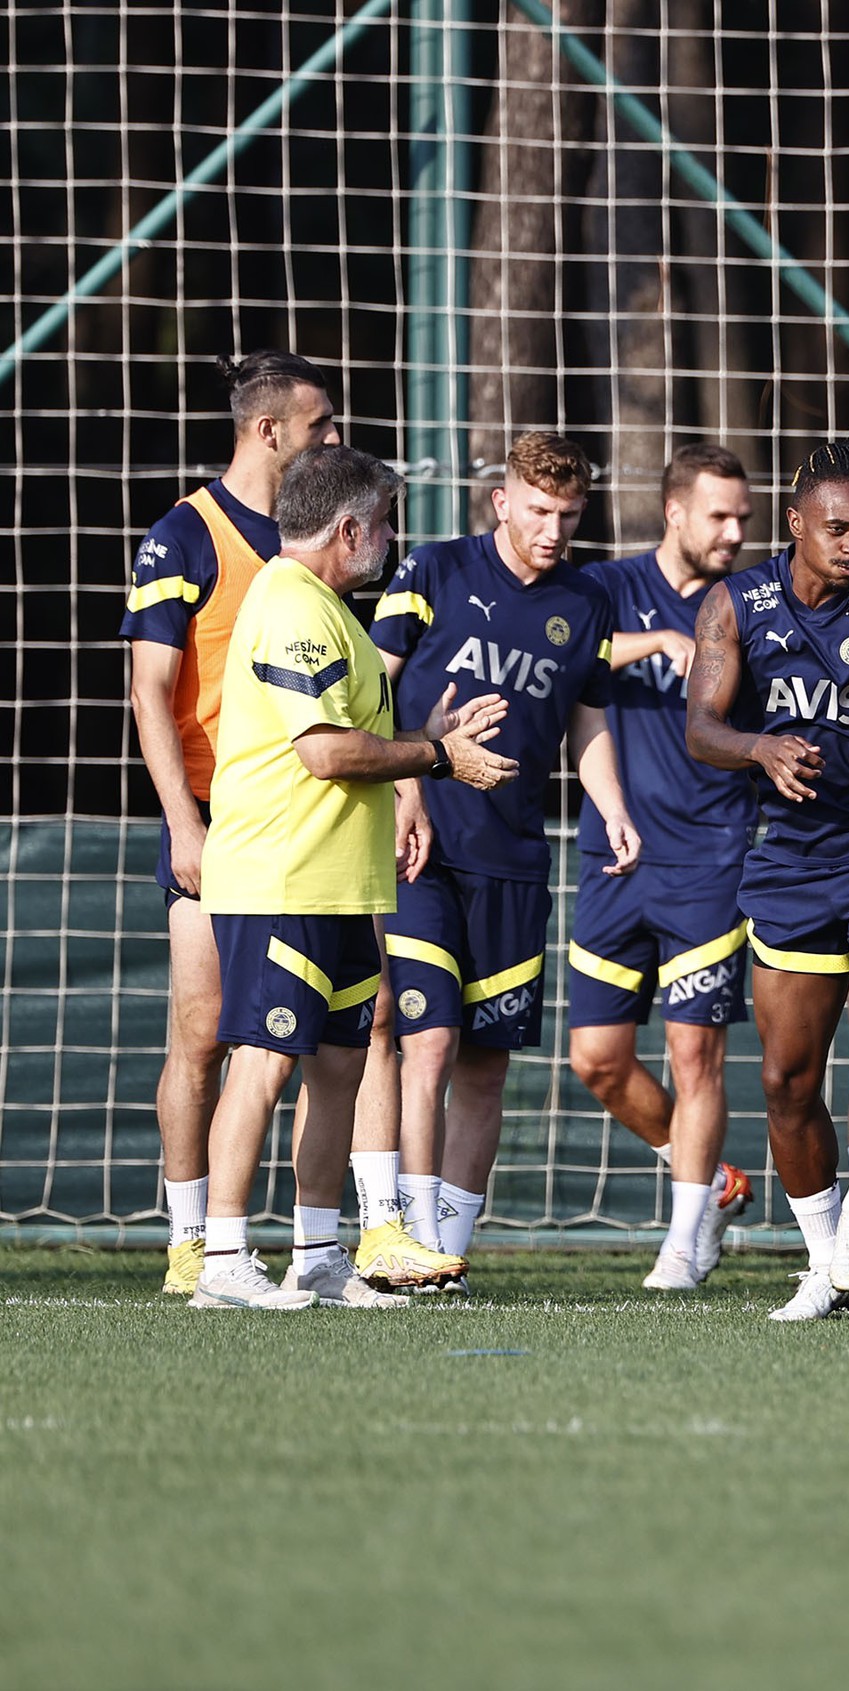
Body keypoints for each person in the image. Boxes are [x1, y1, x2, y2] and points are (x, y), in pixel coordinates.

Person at [122, 352, 448, 1298]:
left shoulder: (326, 563)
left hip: (324, 837)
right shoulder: (193, 537)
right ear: (270, 431)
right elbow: (149, 690)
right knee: (209, 1038)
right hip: (238, 819)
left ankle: (344, 1241)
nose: (335, 438)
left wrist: (408, 783)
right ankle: (203, 1241)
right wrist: (183, 821)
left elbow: (367, 710)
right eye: (323, 424)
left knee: (355, 1033)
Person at [189, 445, 517, 1308]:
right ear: (348, 528)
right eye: (385, 525)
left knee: (339, 1064)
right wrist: (440, 756)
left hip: (338, 881)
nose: (392, 542)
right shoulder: (291, 601)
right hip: (279, 878)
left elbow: (360, 728)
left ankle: (319, 1251)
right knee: (263, 1062)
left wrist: (430, 729)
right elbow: (328, 752)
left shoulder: (331, 607)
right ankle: (222, 1254)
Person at [685, 435, 849, 1322]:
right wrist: (761, 746)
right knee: (786, 1083)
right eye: (838, 528)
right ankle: (823, 1258)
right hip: (794, 854)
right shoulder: (735, 605)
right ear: (795, 524)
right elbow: (701, 730)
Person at [371, 431, 640, 1288]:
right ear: (501, 503)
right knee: (429, 1039)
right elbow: (370, 688)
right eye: (537, 511)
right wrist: (409, 782)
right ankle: (401, 1235)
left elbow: (587, 718)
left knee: (487, 1062)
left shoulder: (587, 604)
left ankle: (446, 1251)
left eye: (567, 514)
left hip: (515, 861)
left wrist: (616, 807)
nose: (553, 529)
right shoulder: (433, 571)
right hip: (420, 847)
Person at [568, 444, 758, 1291]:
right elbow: (567, 658)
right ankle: (710, 1178)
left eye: (742, 518)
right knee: (596, 1058)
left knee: (696, 1054)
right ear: (673, 512)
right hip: (613, 854)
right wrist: (656, 643)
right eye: (718, 515)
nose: (733, 531)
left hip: (711, 858)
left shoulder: (751, 603)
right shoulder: (605, 587)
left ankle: (682, 1242)